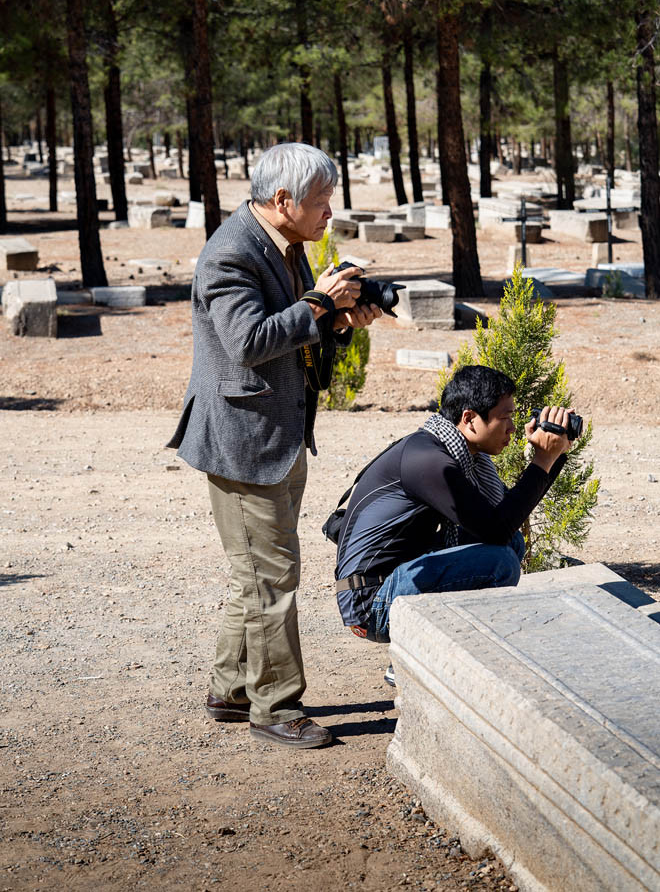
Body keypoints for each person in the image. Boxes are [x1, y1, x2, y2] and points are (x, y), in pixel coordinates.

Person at [168, 142, 381, 748]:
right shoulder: (230, 253)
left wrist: (338, 322)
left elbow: (294, 334)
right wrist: (320, 303)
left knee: (254, 573)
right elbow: (247, 342)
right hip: (244, 441)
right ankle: (277, 709)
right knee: (273, 577)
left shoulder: (285, 246)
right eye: (321, 202)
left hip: (279, 435)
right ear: (283, 199)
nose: (329, 214)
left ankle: (232, 689)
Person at [334, 366, 576, 675]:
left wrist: (552, 457)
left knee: (510, 544)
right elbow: (496, 529)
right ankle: (419, 657)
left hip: (395, 579)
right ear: (470, 419)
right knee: (501, 562)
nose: (513, 429)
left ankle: (423, 650)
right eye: (505, 419)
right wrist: (542, 460)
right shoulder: (430, 462)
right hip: (370, 603)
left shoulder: (455, 452)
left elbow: (506, 518)